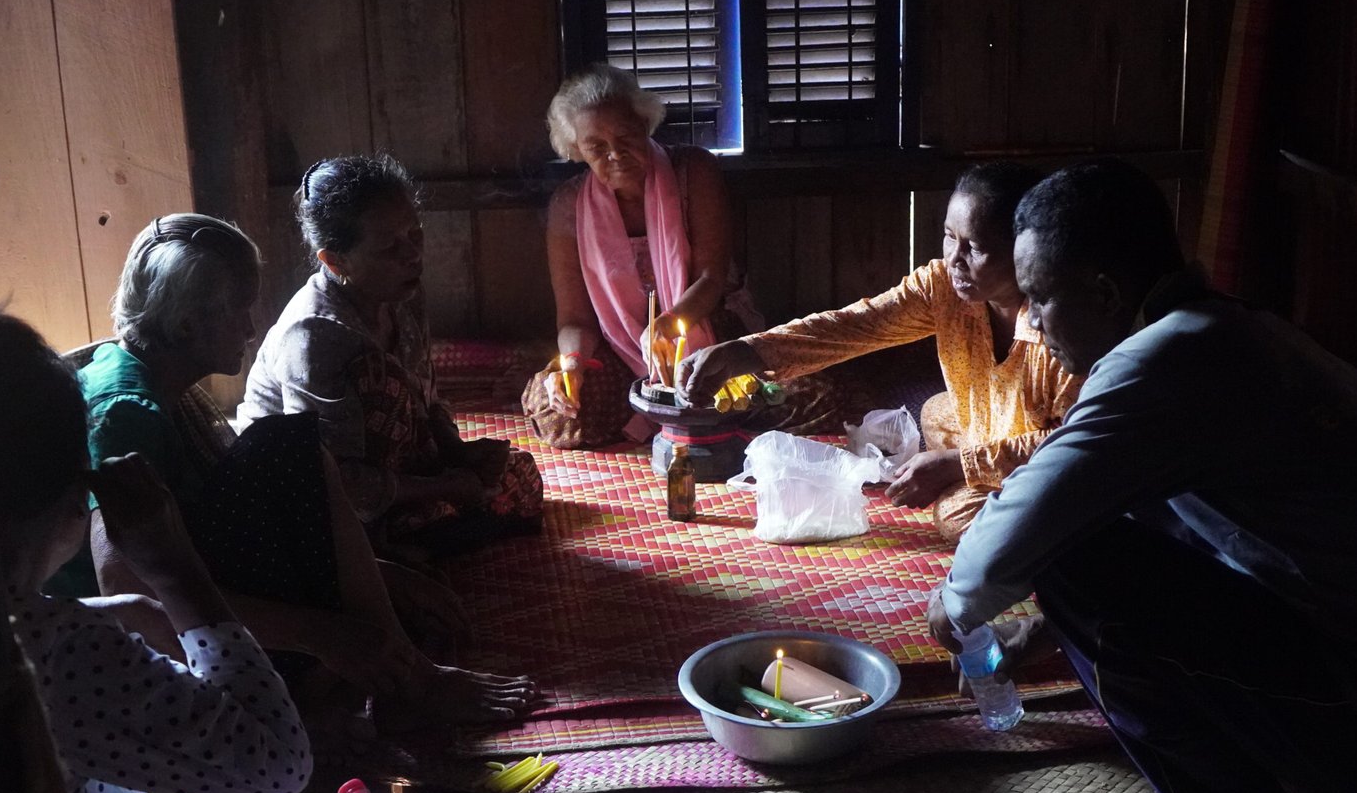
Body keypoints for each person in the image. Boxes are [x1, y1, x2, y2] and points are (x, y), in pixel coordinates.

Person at [926, 160, 1357, 793]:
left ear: (1104, 292)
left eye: (1040, 298)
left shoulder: (1163, 364)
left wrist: (954, 608)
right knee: (1099, 529)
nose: (1032, 320)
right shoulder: (1226, 330)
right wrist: (1037, 633)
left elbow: (1012, 535)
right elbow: (1202, 538)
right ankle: (1279, 756)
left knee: (1066, 561)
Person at [78, 213, 535, 733]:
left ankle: (389, 671)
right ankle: (406, 682)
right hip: (134, 653)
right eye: (239, 310)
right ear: (185, 325)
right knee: (283, 448)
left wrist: (377, 575)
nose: (251, 330)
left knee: (296, 459)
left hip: (200, 589)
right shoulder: (125, 413)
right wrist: (318, 632)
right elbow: (126, 586)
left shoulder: (153, 377)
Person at [0, 308, 344, 793]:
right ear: (70, 498)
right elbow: (278, 764)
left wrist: (99, 612)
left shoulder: (33, 632)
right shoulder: (47, 656)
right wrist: (175, 569)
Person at [681, 163, 1083, 543]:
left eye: (975, 247)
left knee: (959, 516)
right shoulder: (942, 287)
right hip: (1000, 432)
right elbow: (856, 325)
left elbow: (1077, 441)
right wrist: (747, 351)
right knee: (935, 413)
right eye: (949, 236)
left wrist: (959, 464)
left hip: (1056, 460)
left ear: (1022, 249)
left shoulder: (1061, 323)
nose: (954, 260)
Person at [523, 64, 844, 447]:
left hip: (708, 329)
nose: (616, 154)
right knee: (556, 409)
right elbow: (575, 319)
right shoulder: (569, 205)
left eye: (625, 137)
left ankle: (704, 414)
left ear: (645, 125)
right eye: (596, 147)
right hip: (621, 346)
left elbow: (710, 279)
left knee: (812, 396)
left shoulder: (693, 170)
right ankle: (700, 414)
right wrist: (573, 364)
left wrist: (669, 323)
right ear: (577, 150)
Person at [242, 156, 543, 560]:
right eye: (389, 247)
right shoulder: (314, 336)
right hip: (313, 495)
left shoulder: (402, 296)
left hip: (390, 471)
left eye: (415, 234)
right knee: (379, 380)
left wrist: (458, 453)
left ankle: (411, 539)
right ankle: (383, 551)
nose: (412, 255)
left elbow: (425, 400)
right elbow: (328, 477)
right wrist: (445, 486)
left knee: (517, 474)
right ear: (335, 261)